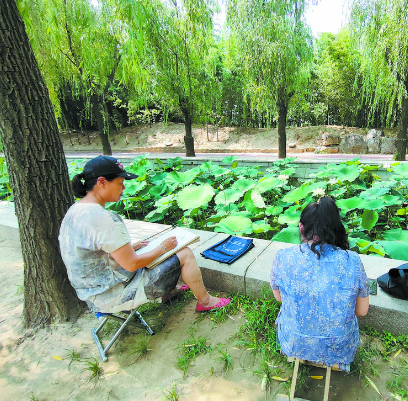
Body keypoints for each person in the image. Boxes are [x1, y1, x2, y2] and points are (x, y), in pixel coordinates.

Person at [59, 155, 230, 314]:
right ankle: (205, 301)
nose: (123, 188)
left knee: (147, 250)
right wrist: (163, 248)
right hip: (114, 296)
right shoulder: (104, 218)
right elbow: (132, 264)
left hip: (90, 294)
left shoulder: (75, 210)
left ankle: (169, 293)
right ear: (102, 182)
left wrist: (130, 249)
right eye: (120, 183)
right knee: (184, 253)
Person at [270, 196, 369, 371]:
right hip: (339, 347)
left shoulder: (282, 257)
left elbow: (279, 298)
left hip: (294, 343)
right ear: (336, 229)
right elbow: (361, 311)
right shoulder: (353, 261)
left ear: (301, 227)